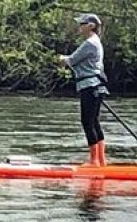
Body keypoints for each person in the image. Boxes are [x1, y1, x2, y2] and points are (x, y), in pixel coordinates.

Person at [59, 13, 109, 167]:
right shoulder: (96, 42)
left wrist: (61, 59)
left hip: (90, 86)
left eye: (82, 23)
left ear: (91, 26)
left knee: (87, 122)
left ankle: (94, 162)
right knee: (94, 121)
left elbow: (72, 60)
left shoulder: (90, 43)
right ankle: (101, 161)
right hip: (95, 86)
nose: (80, 26)